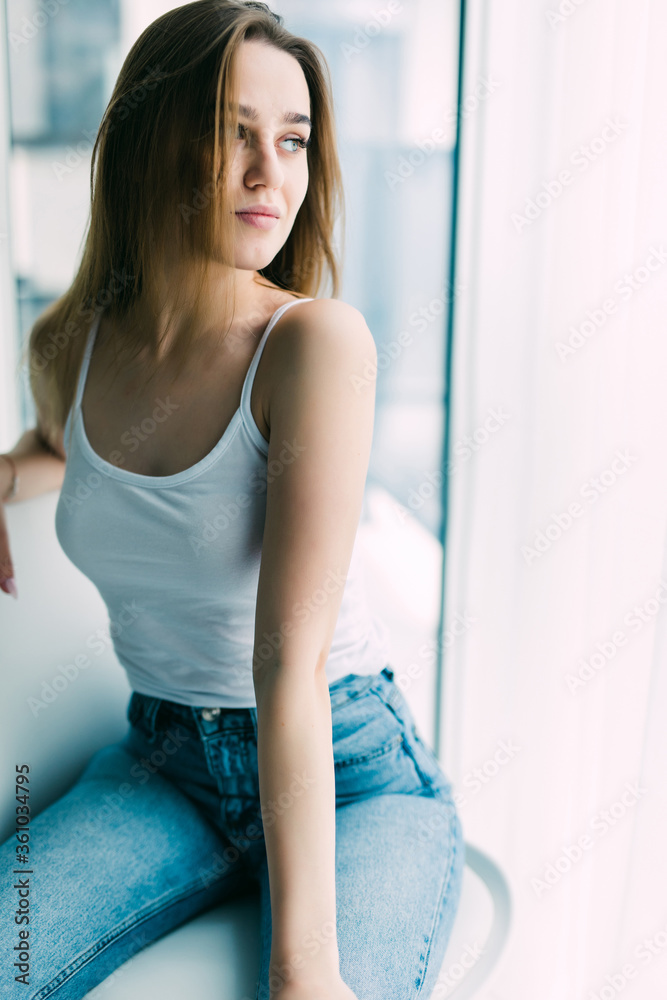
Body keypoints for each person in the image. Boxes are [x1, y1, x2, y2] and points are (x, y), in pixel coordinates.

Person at [0, 2, 464, 998]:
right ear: (152, 146)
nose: (272, 174)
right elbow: (69, 451)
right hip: (165, 765)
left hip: (351, 775)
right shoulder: (70, 348)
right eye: (233, 134)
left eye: (292, 141)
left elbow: (284, 667)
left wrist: (303, 971)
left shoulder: (311, 347)